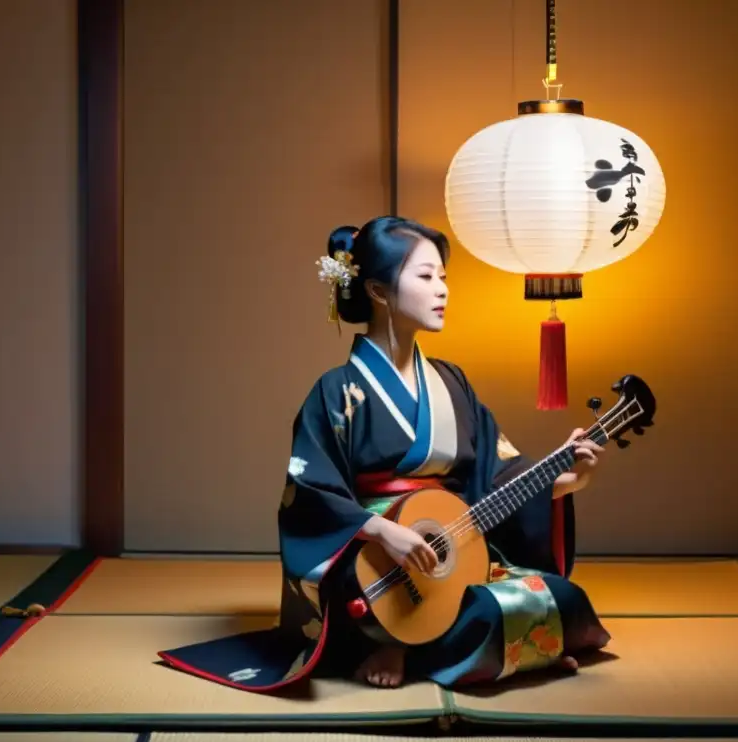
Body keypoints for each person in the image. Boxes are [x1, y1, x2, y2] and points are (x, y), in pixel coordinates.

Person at [157, 215, 611, 692]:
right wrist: (381, 531)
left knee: (564, 598)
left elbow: (496, 476)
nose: (442, 290)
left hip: (447, 552)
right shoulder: (335, 392)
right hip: (370, 564)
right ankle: (455, 646)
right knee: (462, 612)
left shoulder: (451, 382)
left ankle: (436, 648)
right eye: (425, 276)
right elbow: (309, 493)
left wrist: (564, 482)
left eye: (443, 278)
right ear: (377, 291)